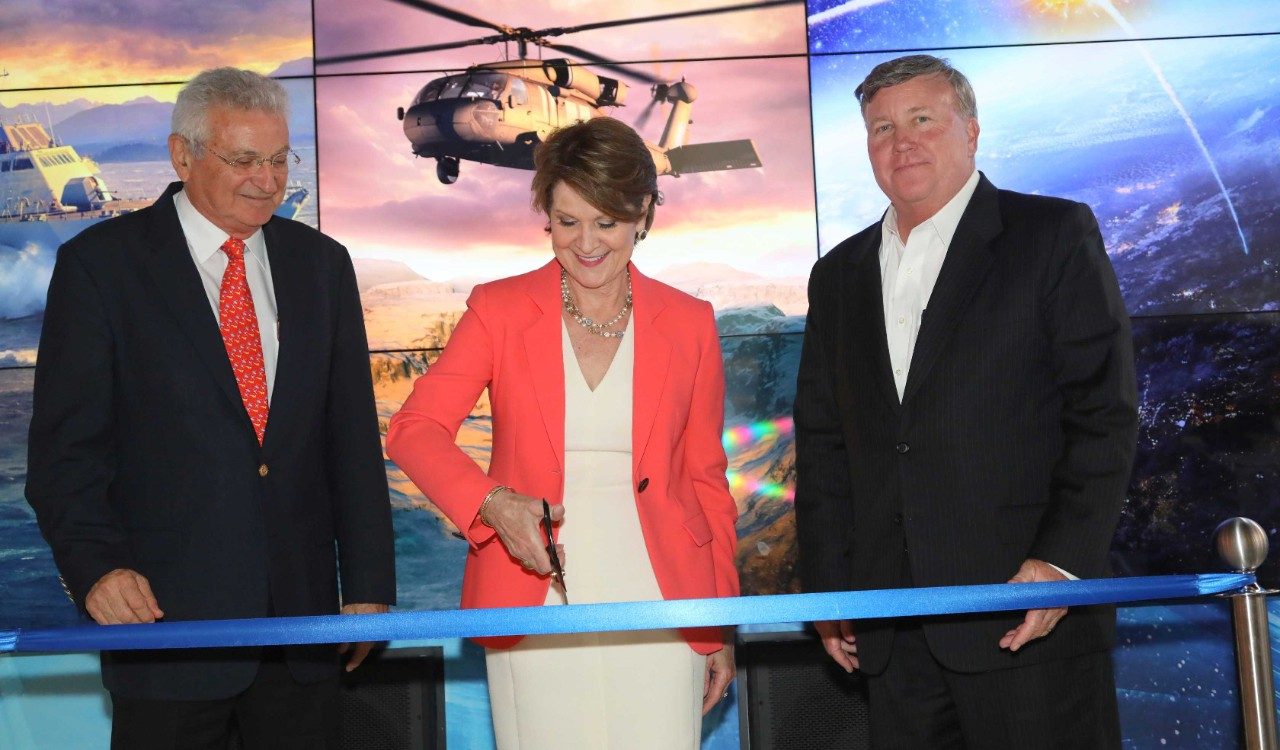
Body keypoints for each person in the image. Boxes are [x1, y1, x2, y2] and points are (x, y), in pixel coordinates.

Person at [26, 67, 395, 749]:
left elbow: (349, 439)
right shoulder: (100, 267)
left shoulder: (322, 265)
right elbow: (63, 455)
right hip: (165, 632)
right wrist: (97, 570)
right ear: (182, 155)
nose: (268, 178)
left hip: (303, 635)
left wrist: (369, 587)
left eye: (280, 158)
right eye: (245, 159)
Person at [793, 54, 1138, 749]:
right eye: (882, 127)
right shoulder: (837, 277)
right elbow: (826, 443)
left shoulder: (1052, 236)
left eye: (923, 119)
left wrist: (1061, 564)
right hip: (891, 631)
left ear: (971, 130)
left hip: (1027, 614)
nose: (902, 142)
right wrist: (832, 590)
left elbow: (1102, 412)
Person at [386, 116, 739, 749]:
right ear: (544, 214)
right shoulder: (497, 310)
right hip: (533, 590)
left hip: (663, 595)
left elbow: (706, 480)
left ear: (642, 215)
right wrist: (493, 504)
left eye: (607, 221)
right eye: (567, 220)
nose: (587, 243)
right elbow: (414, 430)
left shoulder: (690, 322)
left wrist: (719, 624)